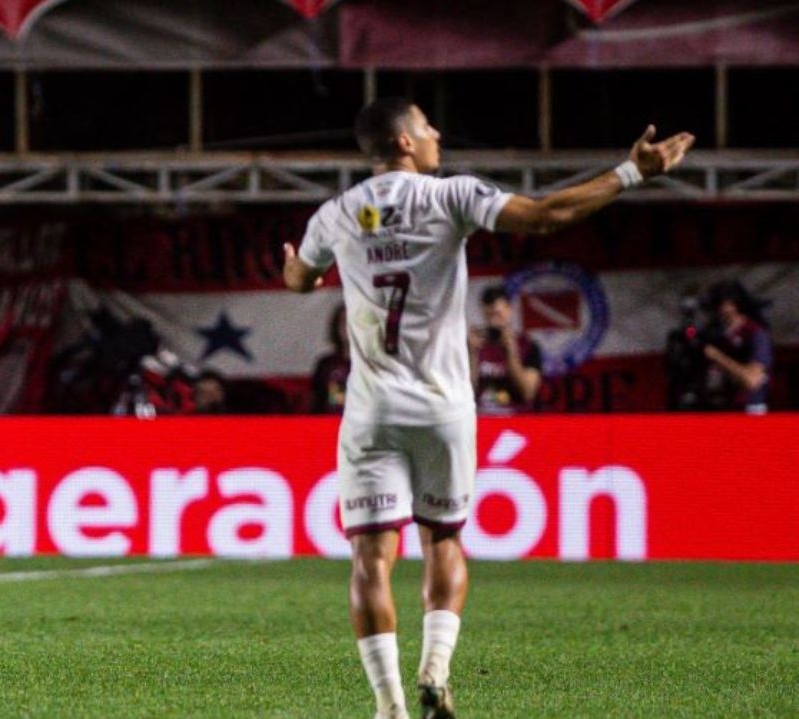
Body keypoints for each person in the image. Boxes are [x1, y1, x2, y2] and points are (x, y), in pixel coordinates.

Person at [282, 97, 693, 719]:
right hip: (444, 409)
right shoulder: (451, 196)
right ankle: (435, 668)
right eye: (426, 126)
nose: (436, 134)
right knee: (444, 540)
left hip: (372, 412)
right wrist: (632, 172)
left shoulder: (336, 214)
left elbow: (298, 278)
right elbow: (547, 215)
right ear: (403, 142)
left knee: (370, 558)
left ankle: (389, 707)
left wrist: (299, 269)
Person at [469, 285, 543, 414]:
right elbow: (467, 391)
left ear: (509, 309)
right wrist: (472, 354)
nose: (494, 321)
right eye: (489, 315)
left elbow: (527, 392)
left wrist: (511, 350)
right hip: (483, 417)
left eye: (498, 314)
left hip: (517, 418)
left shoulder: (529, 346)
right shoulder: (475, 345)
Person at [701, 280, 772, 413]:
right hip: (722, 409)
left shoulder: (754, 334)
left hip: (750, 409)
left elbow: (752, 380)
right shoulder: (716, 336)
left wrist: (718, 357)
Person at [311, 305, 352, 414]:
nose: (348, 327)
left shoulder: (376, 364)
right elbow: (316, 403)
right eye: (344, 322)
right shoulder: (326, 365)